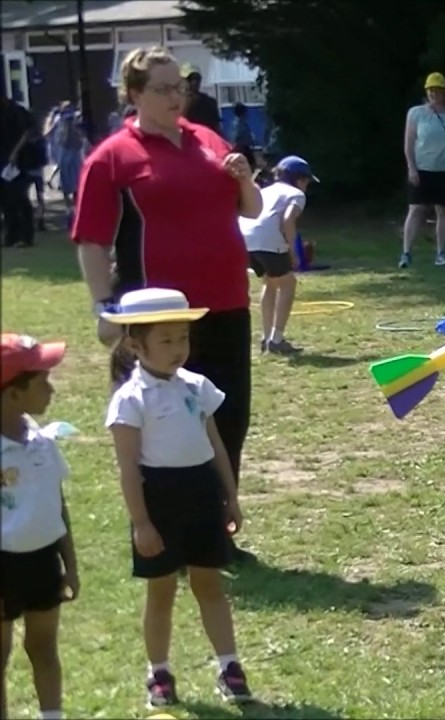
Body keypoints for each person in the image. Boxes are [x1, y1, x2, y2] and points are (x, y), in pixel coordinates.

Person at [72, 47, 263, 562]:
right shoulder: (112, 157)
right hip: (155, 318)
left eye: (180, 86)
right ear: (134, 95)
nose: (177, 96)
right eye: (162, 88)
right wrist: (101, 308)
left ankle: (214, 530)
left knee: (226, 419)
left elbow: (249, 208)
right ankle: (157, 535)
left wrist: (246, 178)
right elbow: (91, 240)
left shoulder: (209, 141)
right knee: (155, 429)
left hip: (224, 304)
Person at [103, 288, 253, 709]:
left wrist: (231, 496)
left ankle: (229, 666)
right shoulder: (130, 400)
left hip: (202, 494)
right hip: (160, 500)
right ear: (136, 344)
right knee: (162, 592)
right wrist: (141, 522)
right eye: (165, 340)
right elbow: (128, 467)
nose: (177, 349)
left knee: (210, 585)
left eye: (182, 338)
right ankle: (160, 673)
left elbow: (216, 445)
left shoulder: (197, 386)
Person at [1, 334, 78, 720]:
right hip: (3, 565)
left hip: (43, 562)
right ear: (13, 394)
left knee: (44, 649)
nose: (52, 388)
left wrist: (71, 563)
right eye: (42, 381)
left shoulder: (42, 442)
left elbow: (56, 504)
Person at [239, 155, 317, 354]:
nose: (306, 185)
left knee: (270, 283)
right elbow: (288, 219)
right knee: (288, 284)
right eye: (306, 180)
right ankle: (277, 339)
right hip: (268, 240)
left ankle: (266, 338)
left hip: (245, 240)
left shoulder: (265, 190)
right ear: (299, 179)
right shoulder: (296, 194)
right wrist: (292, 250)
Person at [401, 72, 445, 268]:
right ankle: (406, 253)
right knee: (416, 209)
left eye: (437, 90)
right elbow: (408, 143)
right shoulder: (416, 113)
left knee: (443, 211)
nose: (434, 93)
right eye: (430, 90)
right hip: (423, 168)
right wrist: (412, 168)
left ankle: (441, 253)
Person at [1, 85, 36, 248]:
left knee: (19, 197)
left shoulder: (17, 111)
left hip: (18, 161)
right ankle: (11, 235)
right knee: (6, 200)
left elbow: (28, 131)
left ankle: (25, 236)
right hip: (3, 161)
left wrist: (15, 152)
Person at [179, 65, 222, 133]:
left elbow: (216, 127)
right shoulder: (175, 101)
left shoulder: (209, 102)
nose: (194, 82)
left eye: (196, 79)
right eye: (190, 79)